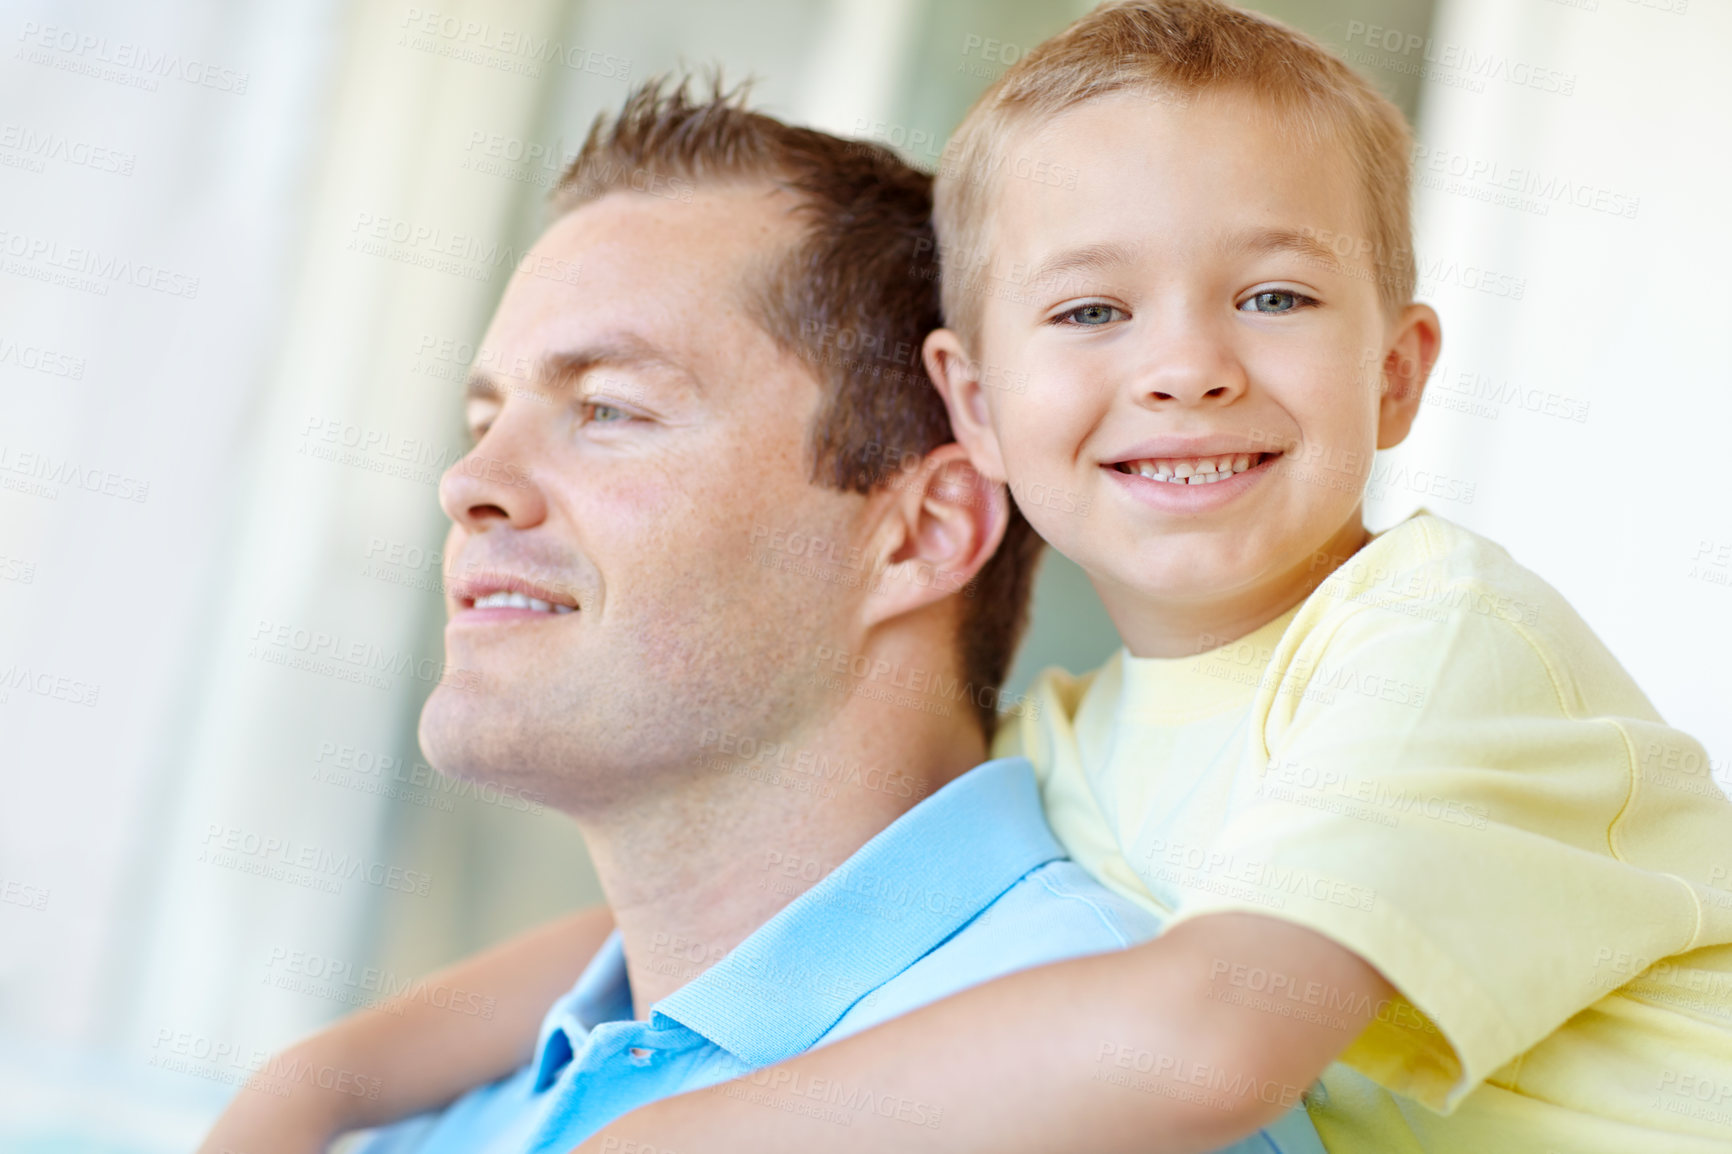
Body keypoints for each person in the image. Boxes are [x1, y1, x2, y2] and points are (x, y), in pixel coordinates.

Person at [560, 2, 1730, 1151]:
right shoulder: (1068, 746)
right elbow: (725, 938)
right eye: (1091, 309)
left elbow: (1206, 1043)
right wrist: (365, 1070)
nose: (1184, 367)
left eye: (1273, 295)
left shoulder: (1441, 644)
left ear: (1393, 371)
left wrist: (667, 1138)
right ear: (976, 404)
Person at [196, 76, 1324, 1154]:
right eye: (483, 415)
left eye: (607, 408)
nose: (470, 481)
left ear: (921, 531)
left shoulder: (1106, 1109)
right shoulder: (431, 1112)